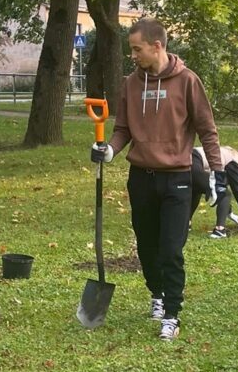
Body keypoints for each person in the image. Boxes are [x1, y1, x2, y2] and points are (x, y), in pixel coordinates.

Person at [91, 18, 221, 342]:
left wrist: (217, 172)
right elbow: (123, 129)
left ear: (157, 46)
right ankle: (157, 294)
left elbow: (207, 130)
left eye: (137, 49)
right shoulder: (130, 84)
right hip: (141, 179)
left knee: (171, 250)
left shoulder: (188, 81)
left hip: (177, 178)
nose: (133, 55)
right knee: (147, 246)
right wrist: (110, 150)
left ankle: (172, 315)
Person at [190, 145, 238, 238]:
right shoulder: (235, 162)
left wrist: (229, 213)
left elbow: (220, 184)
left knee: (197, 189)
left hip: (188, 158)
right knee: (225, 194)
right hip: (194, 161)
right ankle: (219, 230)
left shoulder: (230, 155)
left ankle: (186, 223)